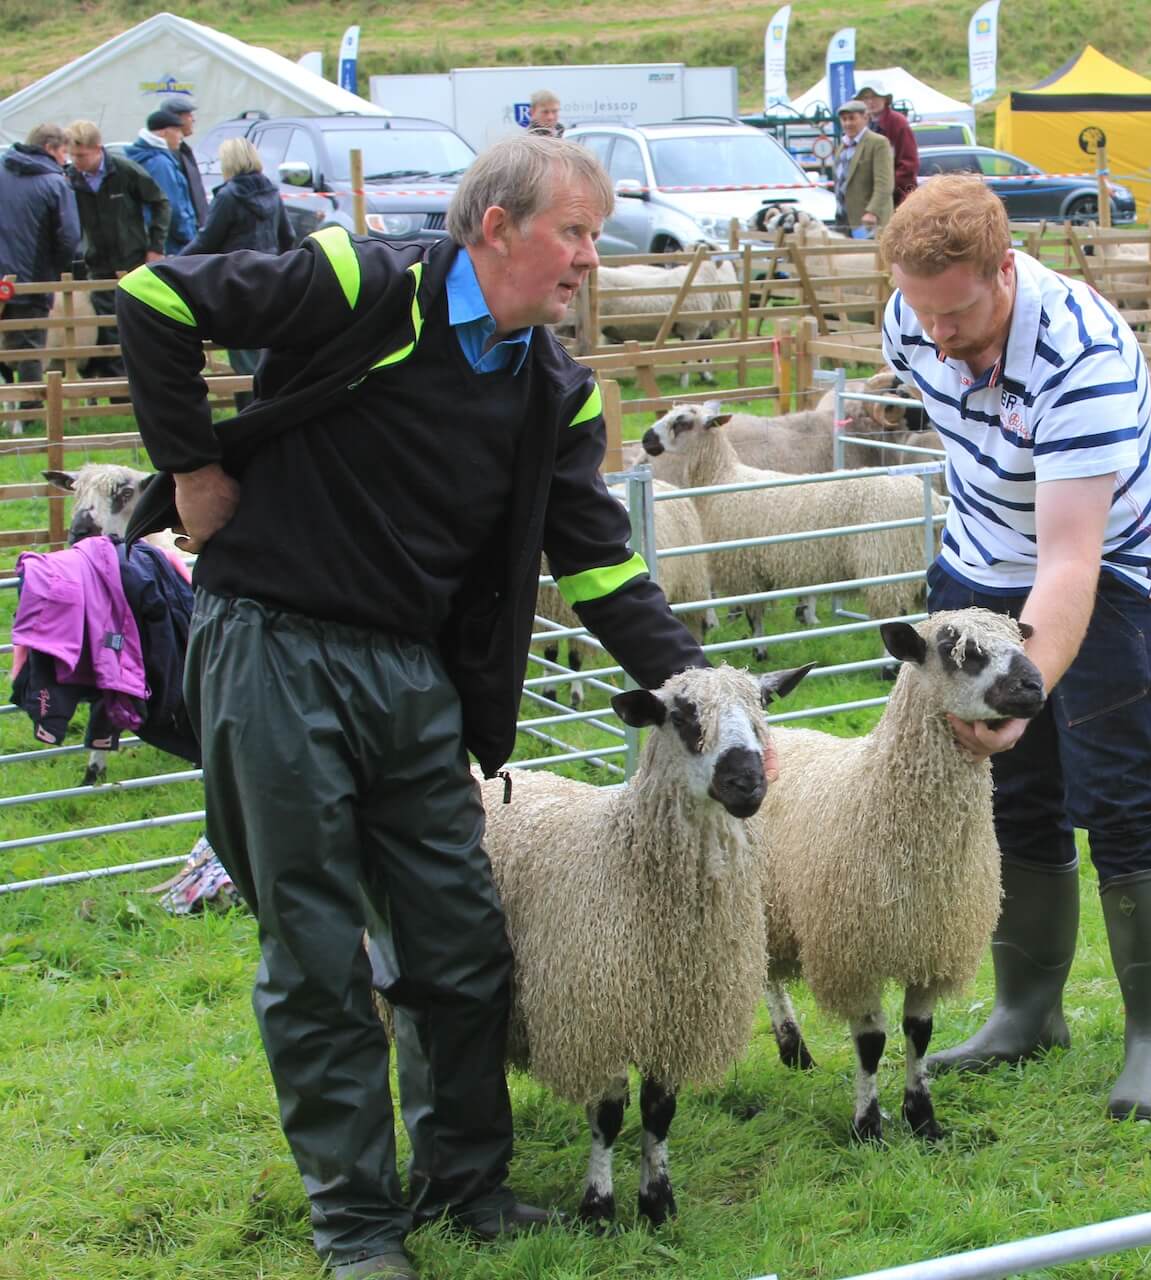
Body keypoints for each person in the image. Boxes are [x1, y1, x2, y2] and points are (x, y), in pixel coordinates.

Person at [113, 133, 709, 1280]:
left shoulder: (554, 393)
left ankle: (466, 1185)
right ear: (496, 227)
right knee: (318, 953)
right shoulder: (365, 284)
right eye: (574, 233)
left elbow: (600, 565)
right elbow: (153, 296)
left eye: (596, 235)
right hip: (274, 644)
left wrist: (698, 693)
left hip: (413, 678)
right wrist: (190, 466)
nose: (591, 257)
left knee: (461, 939)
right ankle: (357, 1224)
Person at [877, 175, 1151, 1120]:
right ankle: (1027, 1010)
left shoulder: (1081, 357)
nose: (937, 333)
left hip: (1103, 569)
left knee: (1115, 789)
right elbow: (944, 381)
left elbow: (1069, 562)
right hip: (978, 558)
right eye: (921, 311)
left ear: (1005, 270)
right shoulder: (915, 319)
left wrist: (1020, 695)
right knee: (1007, 791)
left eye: (957, 312)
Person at [183, 138, 297, 407]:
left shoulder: (228, 196)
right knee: (268, 352)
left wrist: (175, 263)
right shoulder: (272, 192)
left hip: (236, 284)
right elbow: (288, 237)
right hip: (271, 281)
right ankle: (271, 409)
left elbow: (207, 241)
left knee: (244, 357)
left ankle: (249, 414)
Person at [64, 118, 169, 384]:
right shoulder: (71, 179)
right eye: (73, 155)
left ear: (98, 149)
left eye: (82, 156)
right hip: (97, 264)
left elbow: (160, 202)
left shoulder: (124, 171)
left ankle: (145, 379)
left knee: (139, 321)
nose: (77, 161)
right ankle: (116, 388)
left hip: (133, 260)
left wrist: (155, 246)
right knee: (107, 327)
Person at [0, 122, 81, 420]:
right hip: (32, 277)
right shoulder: (54, 182)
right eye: (63, 152)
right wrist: (57, 266)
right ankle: (31, 411)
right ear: (49, 148)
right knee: (30, 345)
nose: (65, 159)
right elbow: (69, 236)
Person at [126, 107, 198, 253]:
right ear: (164, 133)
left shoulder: (141, 157)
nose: (180, 136)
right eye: (177, 131)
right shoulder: (160, 164)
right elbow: (172, 207)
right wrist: (189, 238)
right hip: (171, 244)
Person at [834, 99, 894, 235]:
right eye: (844, 119)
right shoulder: (842, 146)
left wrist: (872, 212)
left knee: (869, 250)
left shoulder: (878, 143)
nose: (847, 123)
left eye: (852, 118)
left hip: (868, 221)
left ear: (865, 118)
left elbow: (884, 184)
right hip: (844, 219)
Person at [857, 84, 919, 208]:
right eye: (866, 98)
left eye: (875, 97)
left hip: (897, 199)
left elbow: (908, 164)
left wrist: (884, 188)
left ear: (885, 99)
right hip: (869, 200)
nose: (870, 102)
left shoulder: (898, 122)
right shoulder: (862, 124)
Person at [165, 99, 211, 233]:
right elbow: (176, 202)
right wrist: (187, 232)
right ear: (177, 119)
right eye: (189, 115)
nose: (193, 120)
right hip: (184, 235)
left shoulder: (183, 150)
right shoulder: (170, 155)